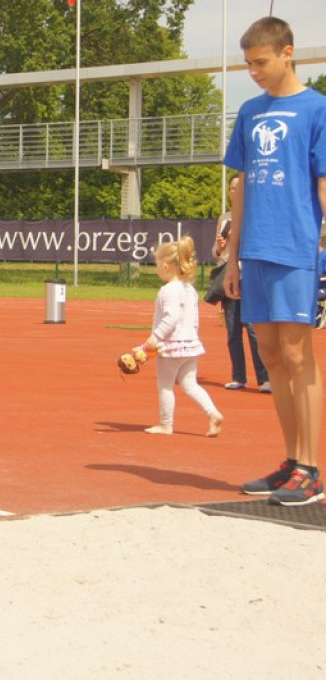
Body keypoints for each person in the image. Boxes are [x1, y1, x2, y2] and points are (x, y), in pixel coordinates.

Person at [223, 16, 326, 506]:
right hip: (254, 250)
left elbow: (324, 184)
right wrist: (233, 259)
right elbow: (239, 188)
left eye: (260, 62)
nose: (254, 72)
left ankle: (311, 466)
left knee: (298, 355)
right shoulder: (249, 111)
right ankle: (291, 462)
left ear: (288, 52)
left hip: (295, 246)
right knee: (270, 356)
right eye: (248, 65)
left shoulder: (317, 109)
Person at [142, 237, 224, 438]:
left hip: (171, 346)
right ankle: (212, 413)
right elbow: (193, 319)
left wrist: (155, 337)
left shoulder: (168, 290)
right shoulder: (190, 290)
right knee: (190, 384)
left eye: (157, 266)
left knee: (165, 385)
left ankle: (166, 424)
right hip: (190, 345)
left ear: (167, 266)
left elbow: (171, 317)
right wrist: (193, 337)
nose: (156, 270)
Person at [211, 175, 271, 393]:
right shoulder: (225, 217)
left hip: (252, 278)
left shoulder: (256, 214)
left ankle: (264, 379)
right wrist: (220, 247)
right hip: (230, 276)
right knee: (233, 330)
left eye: (239, 187)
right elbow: (215, 253)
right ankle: (238, 377)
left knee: (255, 331)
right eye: (232, 188)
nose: (236, 191)